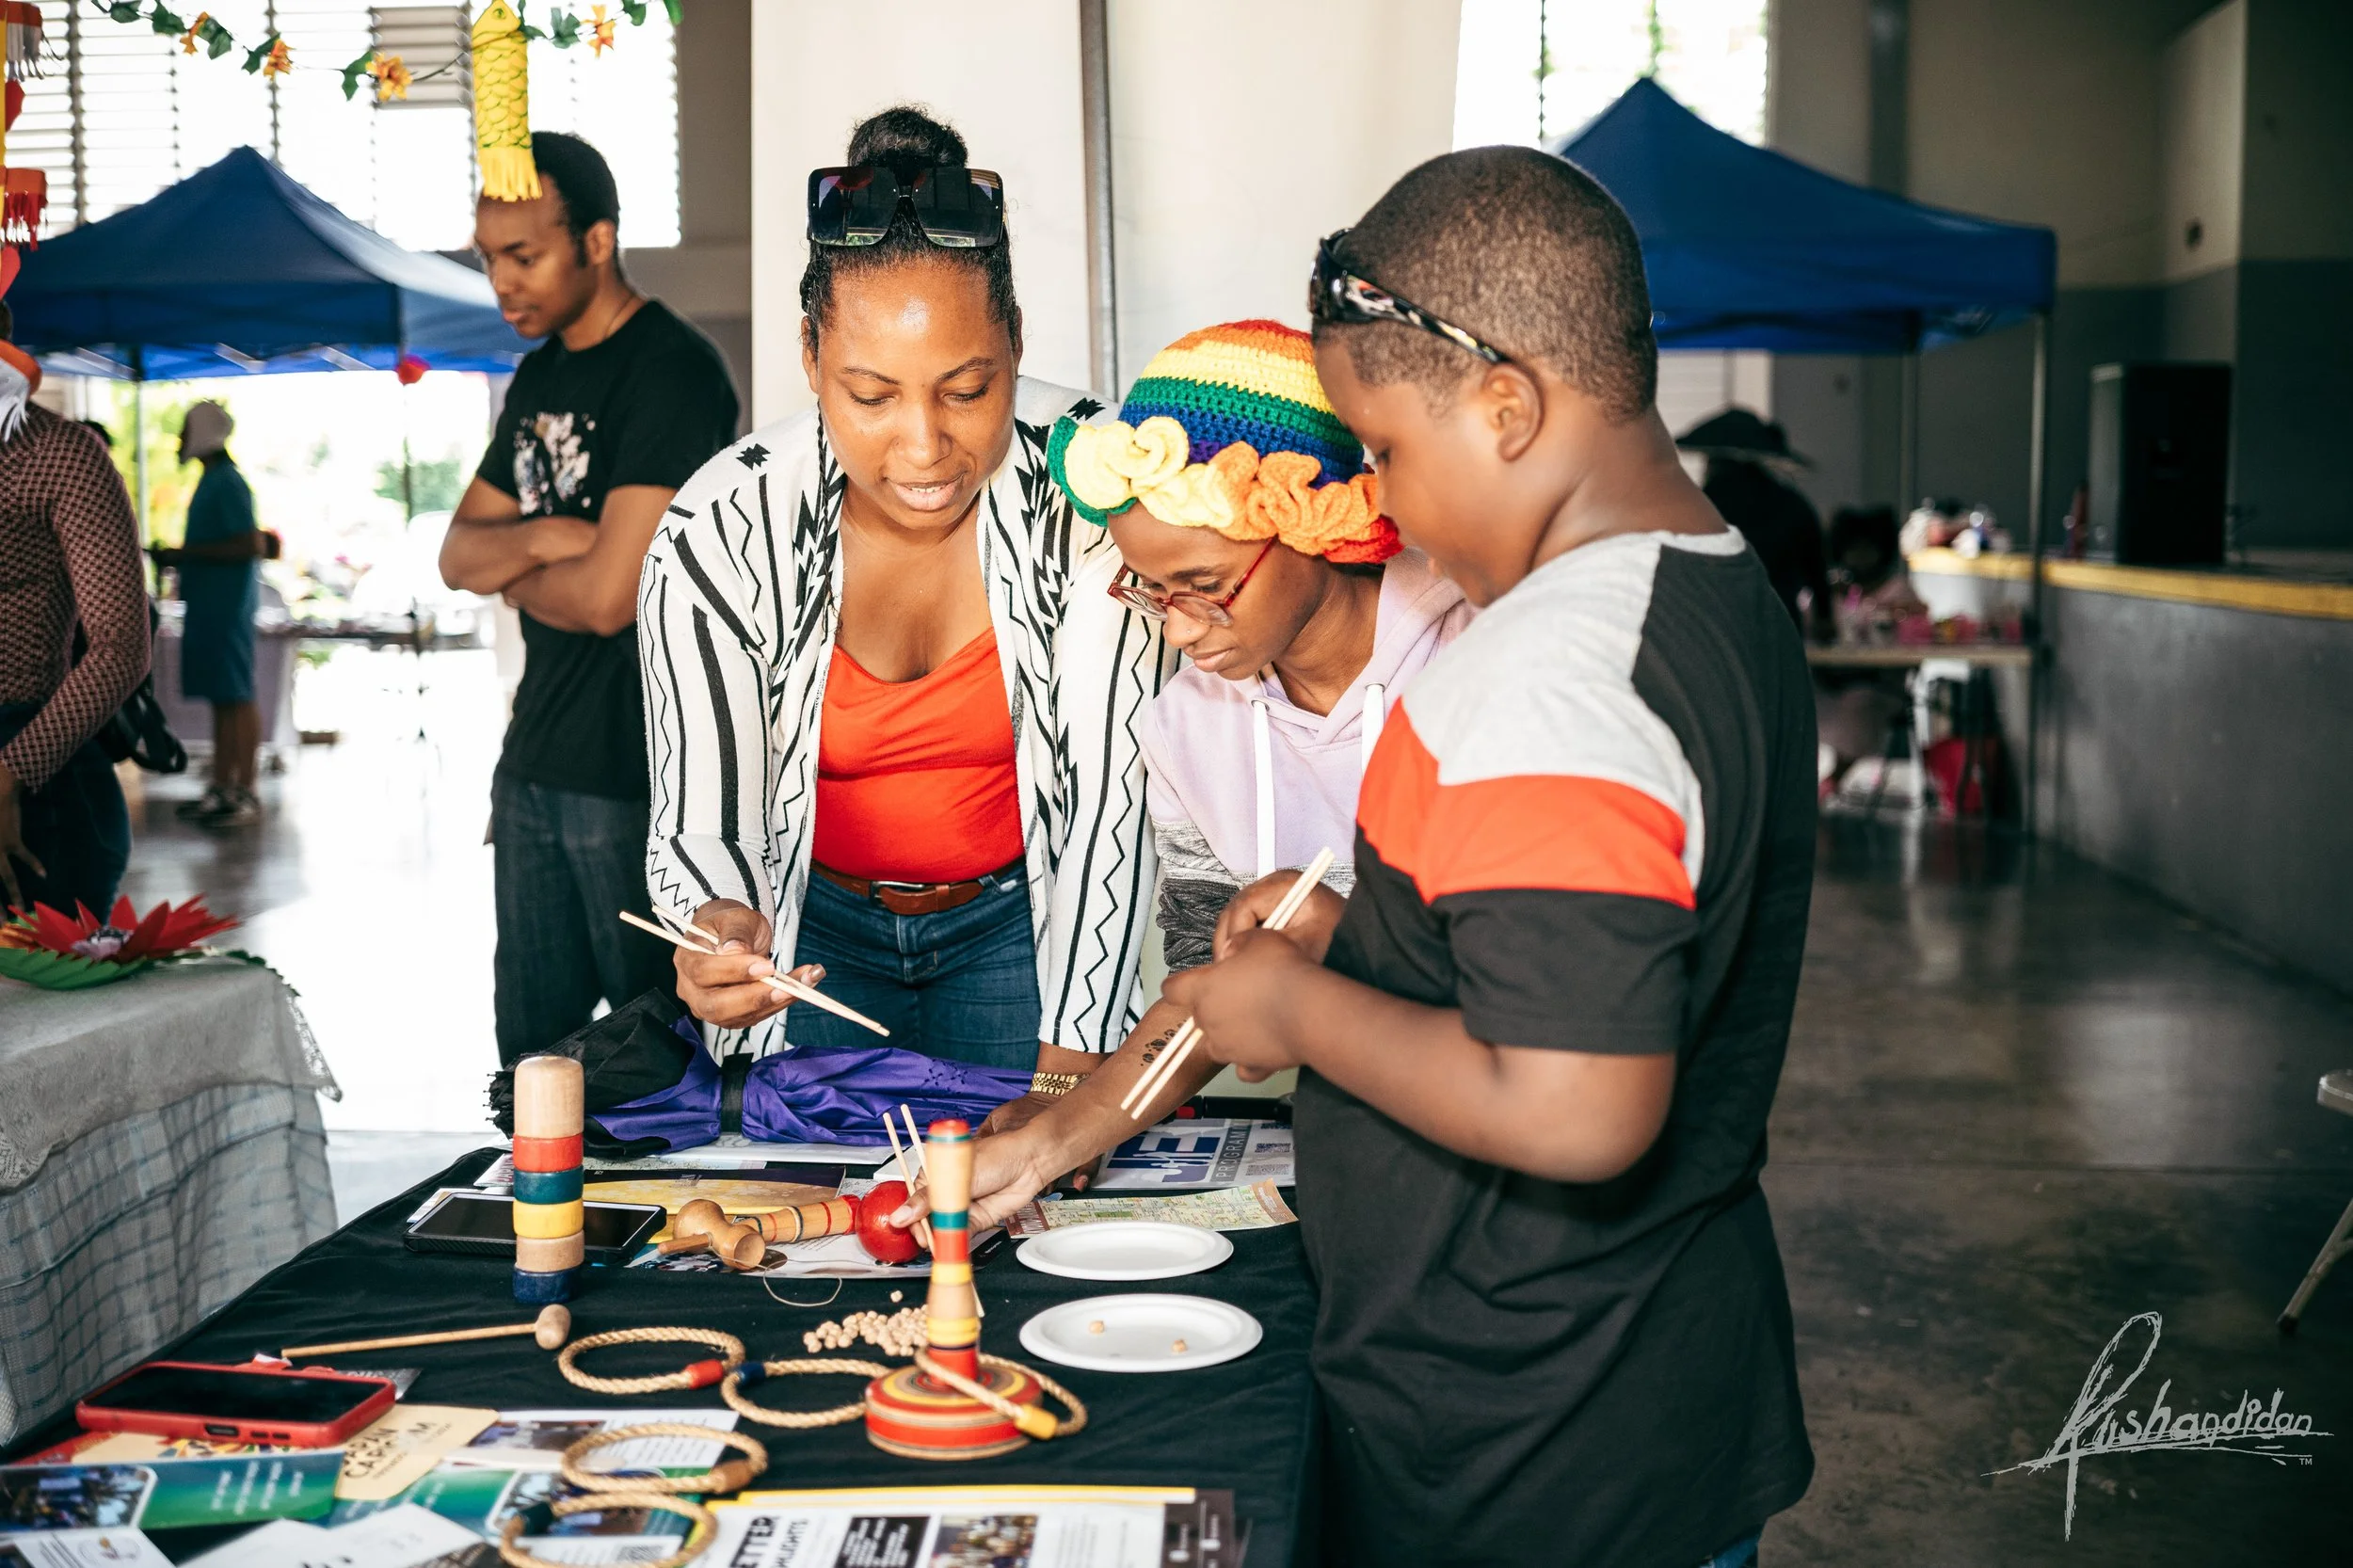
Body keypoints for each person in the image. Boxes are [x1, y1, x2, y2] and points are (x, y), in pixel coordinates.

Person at [1135, 150, 1816, 1566]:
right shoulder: (1708, 580)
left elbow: (1579, 1105)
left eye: (1381, 452)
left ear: (1506, 405)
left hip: (1543, 1439)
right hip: (1624, 1380)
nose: (1382, 510)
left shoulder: (1549, 670)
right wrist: (1364, 945)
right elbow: (1553, 957)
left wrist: (1293, 1007)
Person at [647, 106, 1170, 1077]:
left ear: (1015, 341)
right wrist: (717, 921)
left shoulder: (1097, 485)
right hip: (809, 931)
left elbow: (1111, 801)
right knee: (824, 1207)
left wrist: (1072, 1061)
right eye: (872, 395)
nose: (925, 447)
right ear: (810, 357)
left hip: (1026, 925)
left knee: (1027, 1204)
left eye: (966, 390)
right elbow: (701, 811)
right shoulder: (719, 528)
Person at [962, 318, 1473, 1146]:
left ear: (1312, 526)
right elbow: (1203, 983)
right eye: (1152, 592)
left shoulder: (1473, 659)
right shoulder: (1186, 727)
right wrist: (1055, 1141)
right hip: (1355, 1134)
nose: (1181, 631)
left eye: (1204, 585)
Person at [440, 131, 740, 1066]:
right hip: (531, 763)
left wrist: (524, 566)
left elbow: (613, 597)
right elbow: (455, 552)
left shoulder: (671, 371)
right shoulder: (538, 377)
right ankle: (547, 1220)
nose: (502, 282)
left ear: (598, 242)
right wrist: (545, 539)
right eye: (491, 258)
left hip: (634, 775)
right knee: (533, 1063)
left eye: (523, 256)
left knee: (653, 1060)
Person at [0, 304, 151, 915]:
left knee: (42, 1006)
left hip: (31, 760)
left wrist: (11, 772)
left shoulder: (57, 455)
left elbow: (121, 648)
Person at [152, 400, 265, 827]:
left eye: (186, 430)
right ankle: (222, 784)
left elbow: (248, 544)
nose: (180, 440)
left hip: (227, 607)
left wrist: (185, 554)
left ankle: (244, 789)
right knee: (224, 696)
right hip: (212, 606)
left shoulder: (229, 483)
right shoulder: (212, 481)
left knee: (236, 694)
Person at [1679, 406, 1833, 641]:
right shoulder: (1791, 503)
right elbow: (1816, 572)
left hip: (1717, 624)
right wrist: (1825, 618)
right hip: (1779, 622)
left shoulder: (1702, 504)